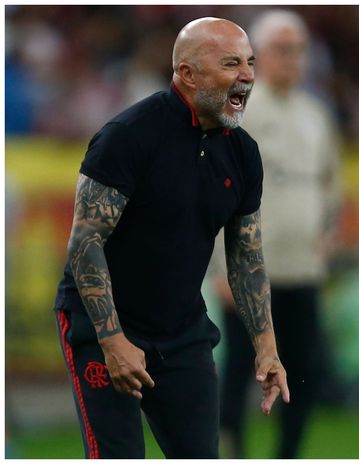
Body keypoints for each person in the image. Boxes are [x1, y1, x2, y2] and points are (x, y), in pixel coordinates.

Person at [52, 17, 289, 459]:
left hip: (182, 333)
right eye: (232, 63)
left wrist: (267, 350)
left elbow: (246, 258)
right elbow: (85, 244)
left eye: (251, 63)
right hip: (103, 330)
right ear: (188, 74)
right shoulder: (127, 137)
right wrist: (113, 340)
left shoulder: (242, 152)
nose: (249, 75)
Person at [211, 10, 340, 459]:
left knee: (303, 374)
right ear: (259, 56)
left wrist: (327, 234)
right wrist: (219, 268)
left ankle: (289, 455)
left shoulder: (317, 115)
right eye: (283, 49)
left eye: (299, 49)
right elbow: (215, 194)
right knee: (237, 373)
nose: (293, 59)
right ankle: (230, 453)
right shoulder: (238, 111)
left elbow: (330, 184)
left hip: (302, 269)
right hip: (249, 273)